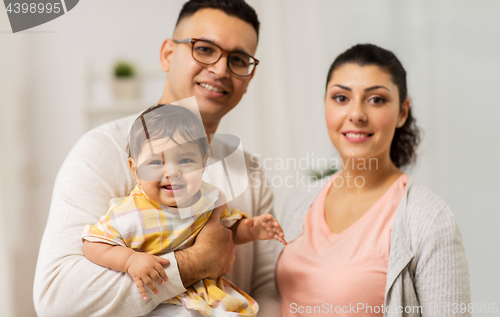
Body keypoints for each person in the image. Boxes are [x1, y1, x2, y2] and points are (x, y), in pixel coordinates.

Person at [33, 1, 282, 316]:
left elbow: (268, 289)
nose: (220, 69)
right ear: (167, 54)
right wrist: (199, 261)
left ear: (249, 77)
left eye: (238, 59)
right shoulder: (102, 150)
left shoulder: (248, 170)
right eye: (204, 49)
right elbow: (56, 301)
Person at [276, 44, 471, 317]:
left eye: (376, 99)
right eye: (341, 98)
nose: (356, 114)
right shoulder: (300, 201)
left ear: (403, 112)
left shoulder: (430, 218)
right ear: (325, 106)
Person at [81, 104, 286, 317]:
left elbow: (227, 233)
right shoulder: (130, 213)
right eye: (156, 162)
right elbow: (93, 244)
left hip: (208, 301)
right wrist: (130, 260)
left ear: (203, 163)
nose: (172, 171)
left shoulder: (207, 200)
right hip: (159, 304)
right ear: (135, 170)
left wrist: (250, 230)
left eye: (186, 160)